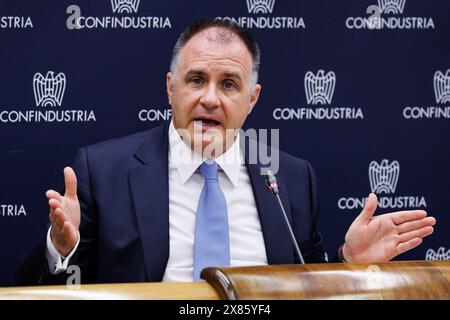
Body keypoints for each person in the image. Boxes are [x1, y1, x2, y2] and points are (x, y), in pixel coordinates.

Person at [16, 19, 436, 285]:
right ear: (170, 88)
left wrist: (348, 262)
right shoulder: (103, 169)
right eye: (196, 79)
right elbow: (47, 290)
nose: (211, 99)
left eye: (229, 84)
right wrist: (59, 247)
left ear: (253, 99)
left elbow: (309, 285)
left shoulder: (291, 177)